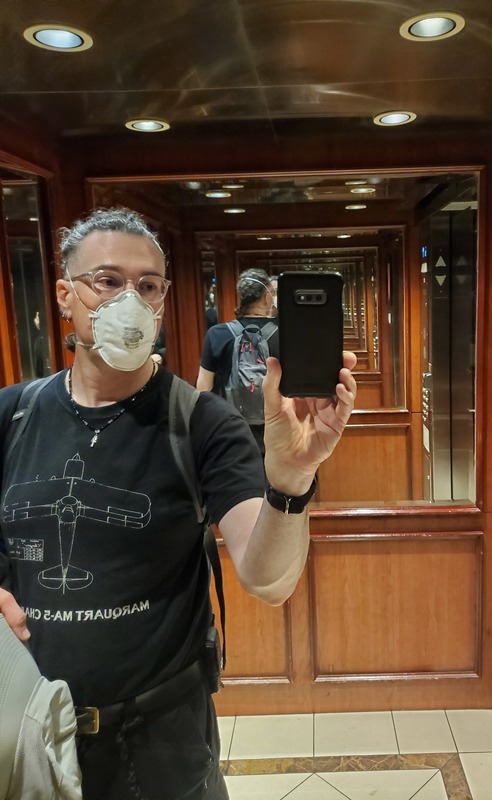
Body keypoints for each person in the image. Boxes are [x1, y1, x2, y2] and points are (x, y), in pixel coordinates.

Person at [0, 207, 357, 800]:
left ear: (162, 301)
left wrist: (292, 477)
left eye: (148, 286)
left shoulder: (200, 422)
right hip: (25, 734)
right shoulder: (12, 416)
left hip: (161, 744)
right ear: (65, 296)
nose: (130, 301)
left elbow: (269, 579)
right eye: (107, 281)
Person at [196, 268, 279, 455]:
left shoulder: (216, 334)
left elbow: (203, 388)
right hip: (275, 431)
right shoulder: (283, 335)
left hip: (231, 430)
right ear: (267, 298)